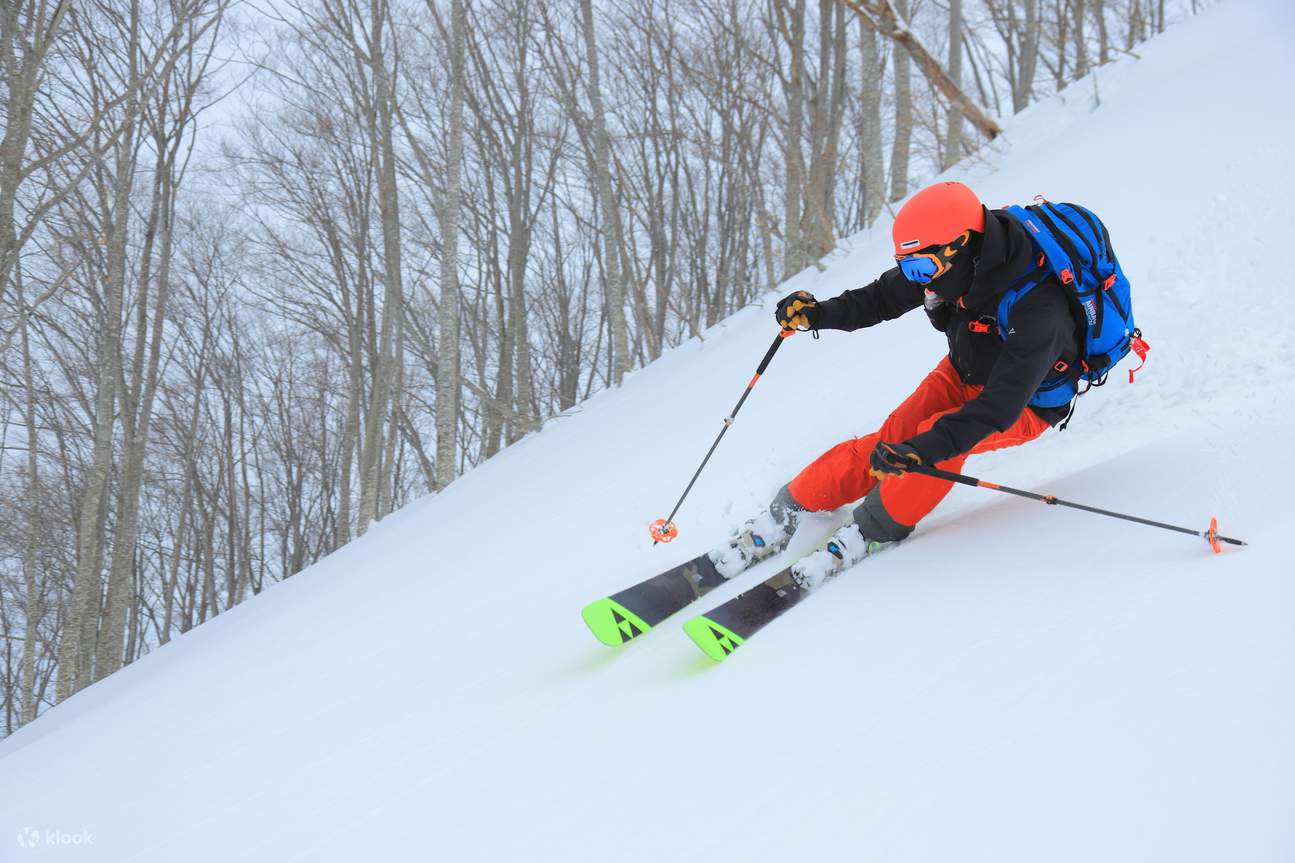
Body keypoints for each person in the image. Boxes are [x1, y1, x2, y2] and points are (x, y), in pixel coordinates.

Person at [715, 181, 1087, 589]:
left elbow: (999, 406)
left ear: (961, 245)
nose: (918, 281)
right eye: (908, 268)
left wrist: (924, 448)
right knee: (889, 441)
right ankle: (790, 509)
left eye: (921, 270)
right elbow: (881, 299)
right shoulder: (946, 260)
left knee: (936, 447)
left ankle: (870, 530)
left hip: (1026, 402)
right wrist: (818, 314)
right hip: (962, 371)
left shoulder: (1039, 307)